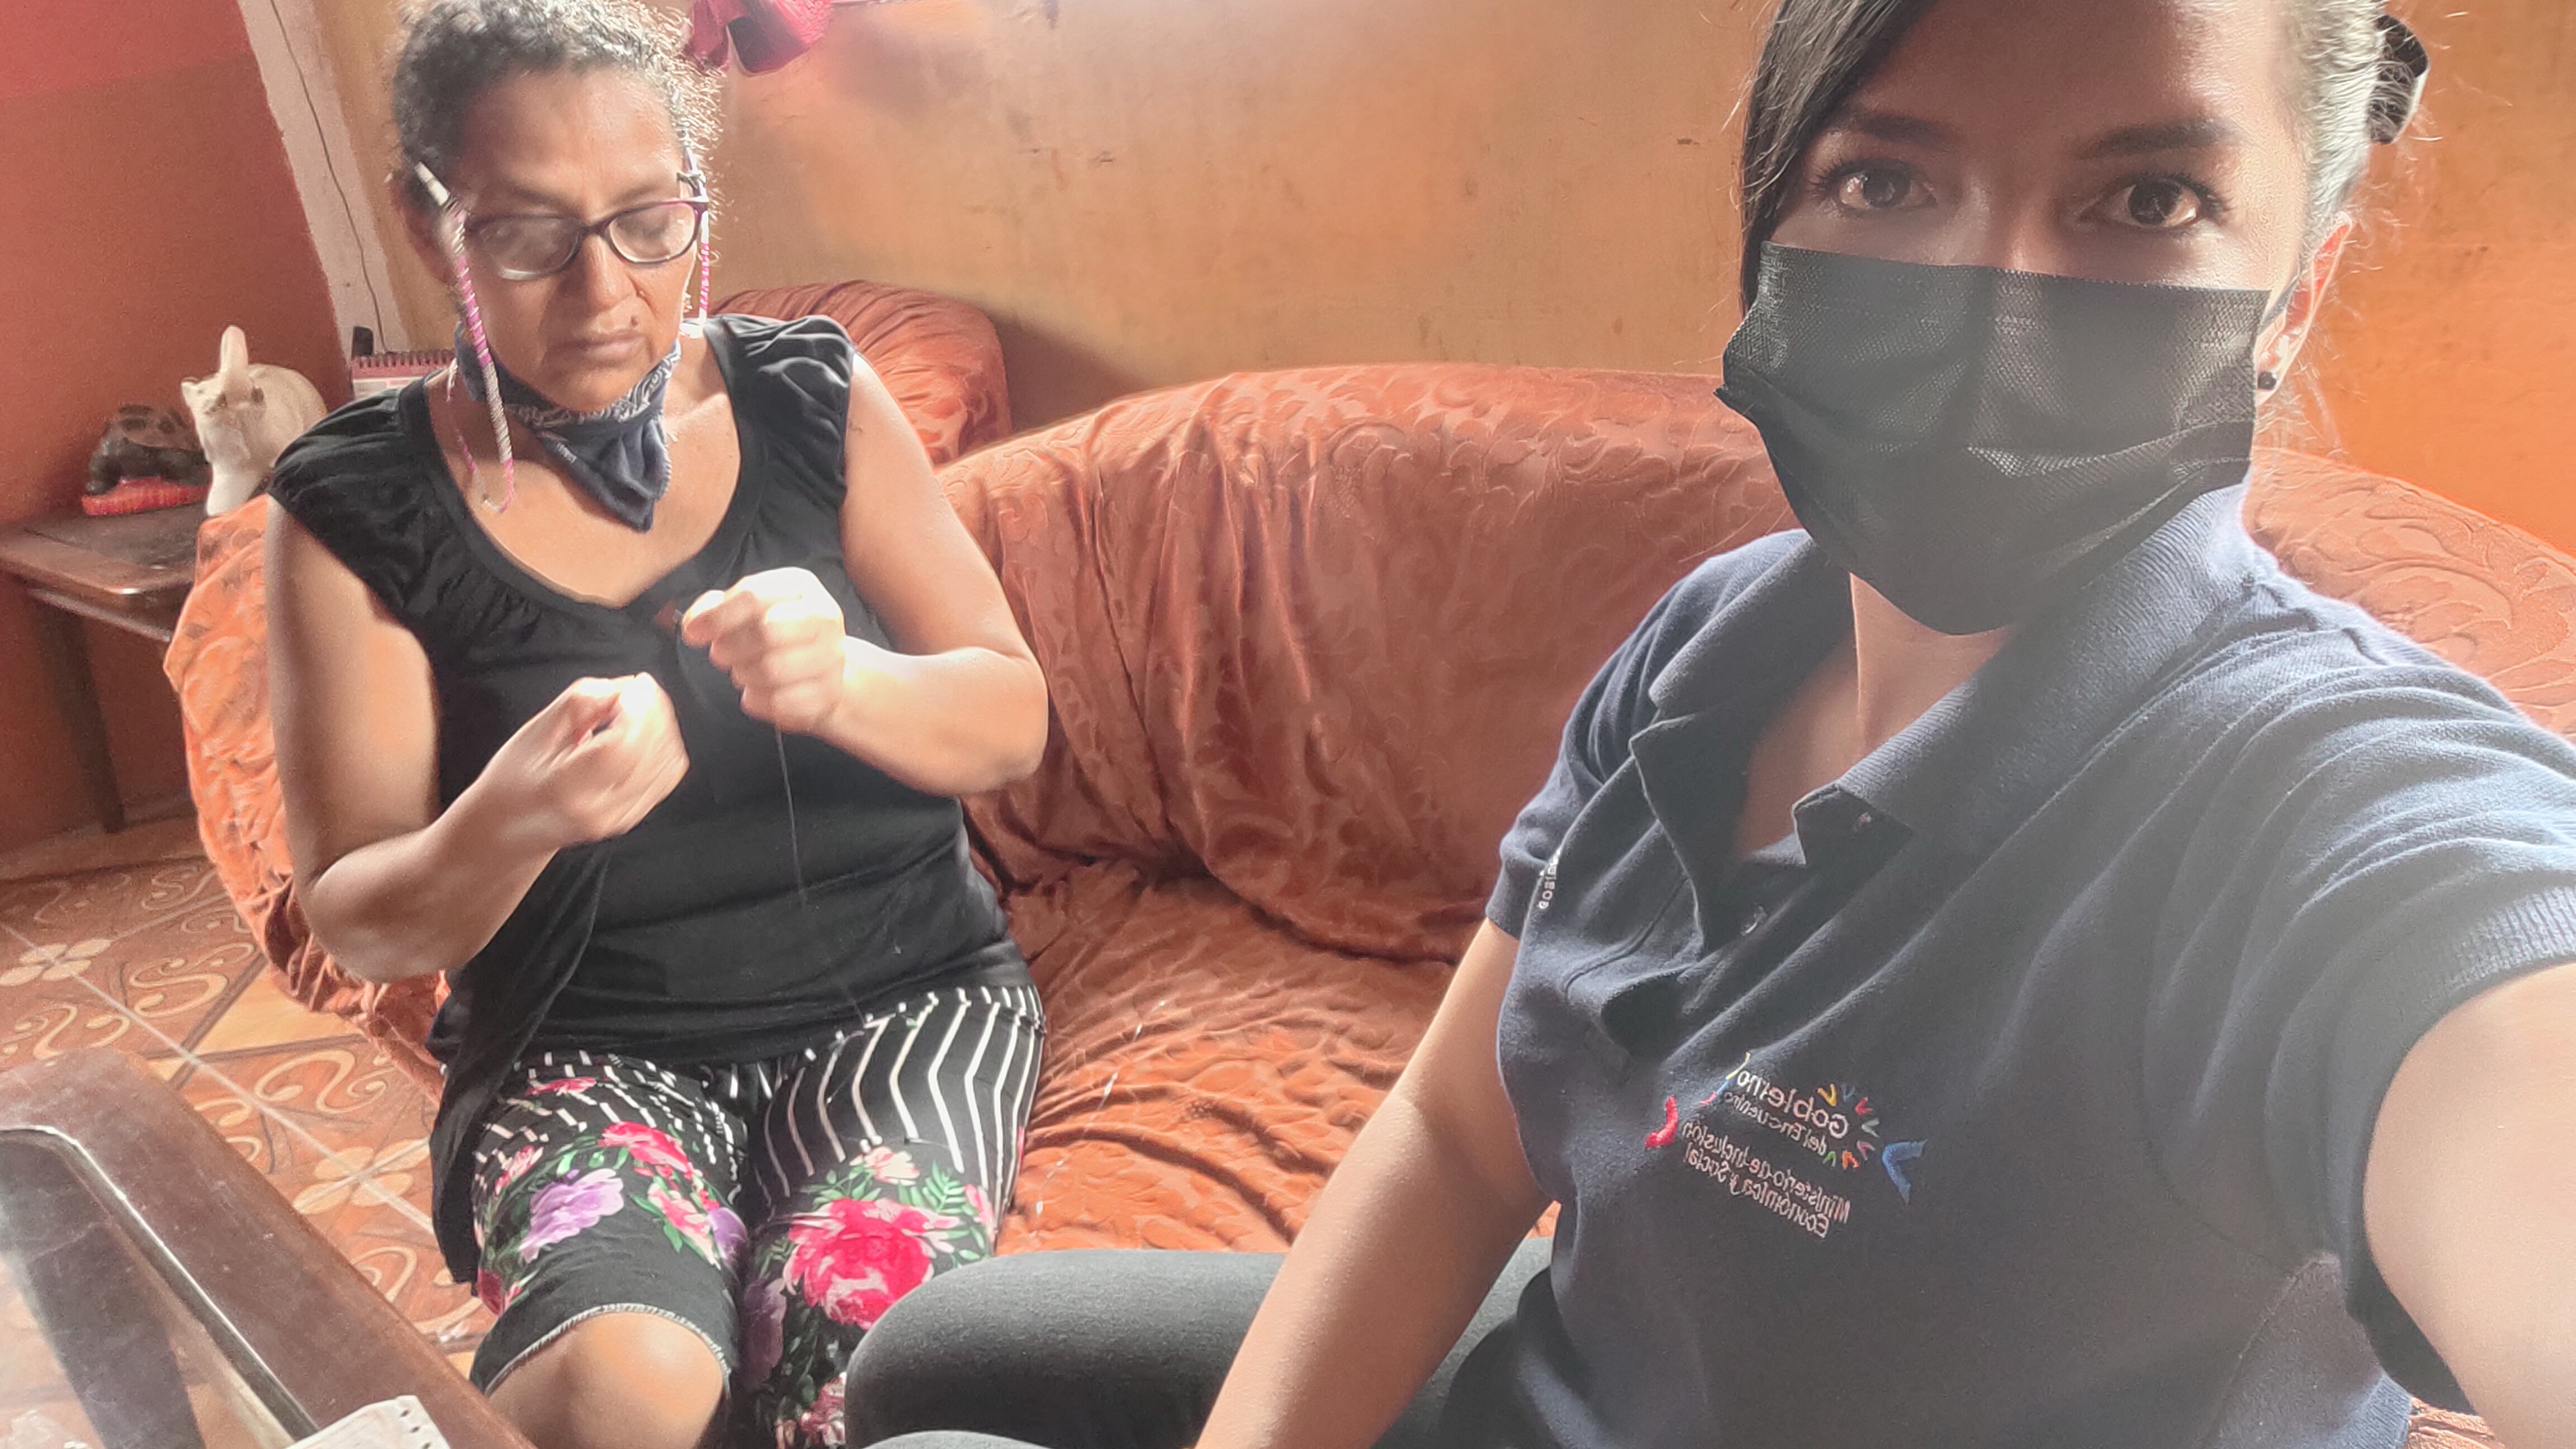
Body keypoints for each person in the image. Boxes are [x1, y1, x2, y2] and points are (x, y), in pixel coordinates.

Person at [837, 1, 2576, 1447]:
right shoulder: (1718, 642)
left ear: (2293, 296)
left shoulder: (2315, 814)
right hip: (1584, 1369)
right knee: (938, 1366)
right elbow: (1457, 1137)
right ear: (1772, 234)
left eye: (2147, 200)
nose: (1992, 290)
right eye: (1886, 177)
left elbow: (2500, 1045)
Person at [261, 3, 1050, 1447]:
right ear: (427, 227)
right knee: (627, 1379)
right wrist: (511, 821)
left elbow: (1010, 722)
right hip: (583, 1036)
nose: (604, 292)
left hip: (907, 999)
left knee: (857, 1348)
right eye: (526, 236)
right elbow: (359, 919)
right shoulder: (356, 506)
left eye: (647, 224)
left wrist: (849, 684)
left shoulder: (813, 397)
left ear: (698, 205)